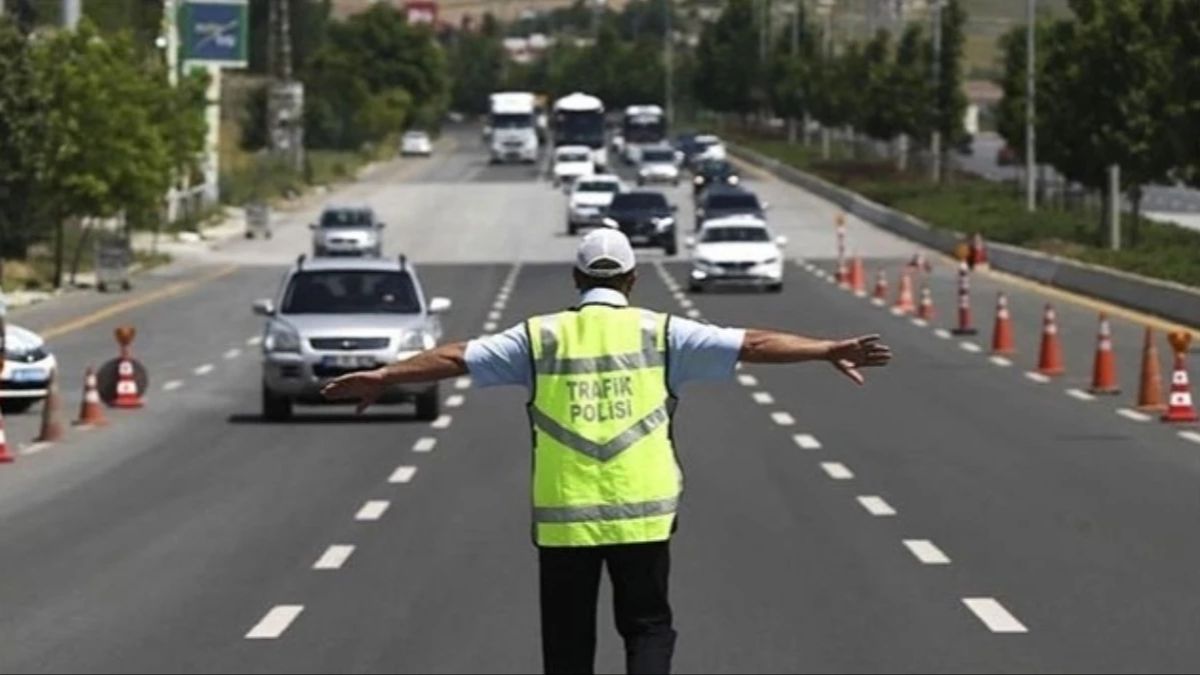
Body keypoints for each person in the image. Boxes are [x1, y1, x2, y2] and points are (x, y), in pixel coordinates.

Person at [321, 229, 893, 675]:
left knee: (568, 643)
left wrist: (385, 376)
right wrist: (825, 348)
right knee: (647, 628)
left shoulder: (539, 337)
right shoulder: (663, 332)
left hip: (565, 520)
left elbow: (454, 357)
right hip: (643, 514)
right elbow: (753, 343)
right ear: (633, 278)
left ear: (575, 277)